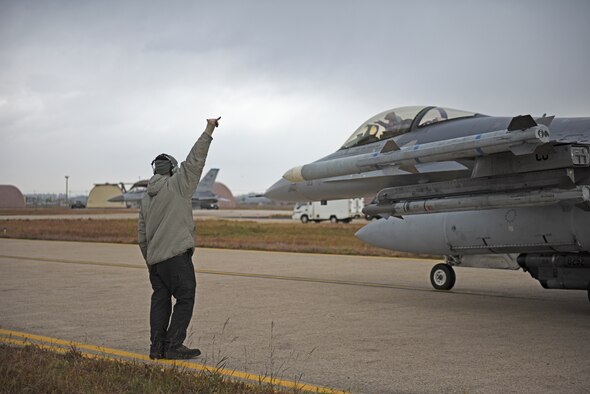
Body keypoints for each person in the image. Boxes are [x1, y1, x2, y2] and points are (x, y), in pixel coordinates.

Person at [138, 116, 220, 360]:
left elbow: (141, 236)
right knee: (185, 297)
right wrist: (208, 129)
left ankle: (157, 348)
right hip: (175, 257)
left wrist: (150, 260)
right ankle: (173, 345)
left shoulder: (145, 198)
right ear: (172, 170)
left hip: (155, 261)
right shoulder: (178, 185)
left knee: (160, 301)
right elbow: (195, 160)